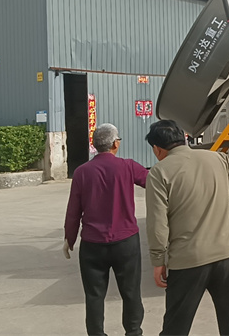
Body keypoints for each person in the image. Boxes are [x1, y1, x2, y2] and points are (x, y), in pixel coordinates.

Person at [144, 119, 229, 336]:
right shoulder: (217, 158)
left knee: (175, 328)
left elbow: (157, 223)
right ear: (183, 138)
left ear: (157, 149)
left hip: (188, 261)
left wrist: (158, 260)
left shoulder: (159, 173)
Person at [63, 123, 148, 336]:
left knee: (94, 295)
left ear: (95, 145)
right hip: (126, 242)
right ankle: (133, 332)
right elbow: (154, 182)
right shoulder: (128, 166)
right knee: (131, 292)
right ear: (115, 144)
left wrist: (69, 238)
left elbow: (73, 210)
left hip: (92, 245)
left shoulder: (82, 172)